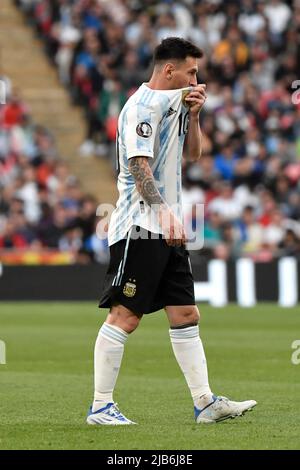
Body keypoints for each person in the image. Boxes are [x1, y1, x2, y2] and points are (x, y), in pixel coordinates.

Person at [87, 37, 257, 425]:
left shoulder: (177, 103)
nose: (197, 79)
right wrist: (165, 216)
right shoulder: (141, 107)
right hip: (140, 225)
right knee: (125, 316)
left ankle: (205, 403)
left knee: (185, 313)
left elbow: (194, 154)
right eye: (192, 71)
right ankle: (100, 406)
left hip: (166, 227)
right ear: (169, 70)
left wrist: (195, 117)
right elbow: (138, 167)